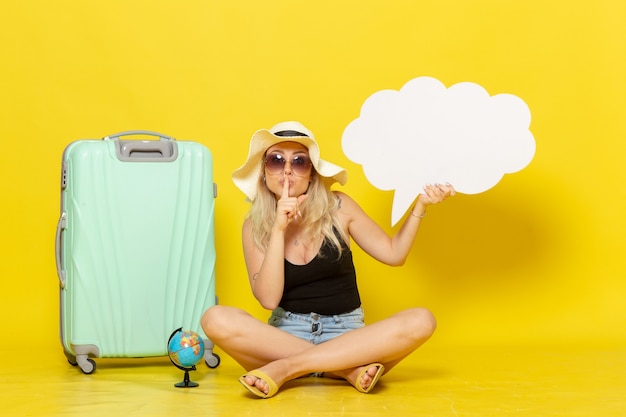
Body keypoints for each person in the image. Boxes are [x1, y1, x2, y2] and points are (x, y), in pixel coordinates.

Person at [201, 121, 455, 398]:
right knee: (215, 318)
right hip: (283, 337)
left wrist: (419, 206)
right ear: (264, 173)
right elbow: (268, 300)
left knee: (421, 320)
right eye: (276, 160)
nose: (287, 170)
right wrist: (278, 229)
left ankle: (286, 369)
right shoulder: (255, 225)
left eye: (299, 162)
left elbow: (394, 255)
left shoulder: (339, 207)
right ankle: (344, 369)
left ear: (312, 173)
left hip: (347, 334)